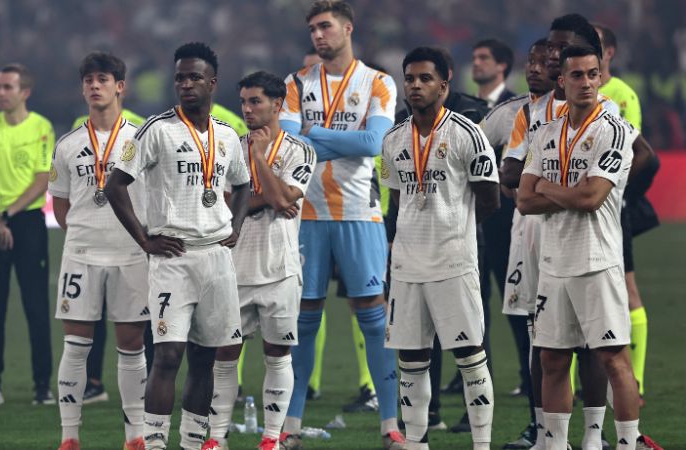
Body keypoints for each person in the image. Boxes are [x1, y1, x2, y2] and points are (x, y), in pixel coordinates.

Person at [104, 42, 250, 450]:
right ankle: (153, 444)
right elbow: (115, 185)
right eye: (180, 78)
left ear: (212, 83)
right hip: (174, 259)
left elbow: (243, 184)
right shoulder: (156, 130)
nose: (185, 84)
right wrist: (145, 240)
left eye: (194, 77)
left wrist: (235, 226)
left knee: (205, 359)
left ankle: (190, 444)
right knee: (168, 356)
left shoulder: (226, 135)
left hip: (217, 259)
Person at [278, 2, 404, 449]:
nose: (317, 34)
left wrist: (313, 137)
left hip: (359, 214)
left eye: (325, 26)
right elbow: (288, 145)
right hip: (307, 215)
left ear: (348, 28)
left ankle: (390, 425)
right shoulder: (295, 83)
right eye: (312, 28)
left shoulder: (378, 82)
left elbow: (374, 142)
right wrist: (330, 143)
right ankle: (289, 428)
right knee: (303, 321)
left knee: (374, 319)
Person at [516, 44, 643, 450]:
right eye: (577, 75)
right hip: (553, 263)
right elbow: (523, 200)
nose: (586, 82)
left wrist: (549, 188)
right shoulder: (548, 133)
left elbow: (592, 199)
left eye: (592, 74)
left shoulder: (614, 130)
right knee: (552, 360)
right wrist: (569, 191)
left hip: (597, 261)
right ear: (562, 81)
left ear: (601, 77)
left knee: (613, 359)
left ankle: (625, 443)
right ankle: (555, 445)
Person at [382, 46, 499, 450]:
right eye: (410, 78)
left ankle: (481, 444)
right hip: (408, 267)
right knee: (411, 363)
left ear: (444, 86)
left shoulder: (468, 133)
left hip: (453, 263)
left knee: (470, 357)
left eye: (425, 78)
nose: (415, 85)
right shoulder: (394, 139)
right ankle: (416, 443)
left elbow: (490, 199)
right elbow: (397, 201)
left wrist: (453, 229)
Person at [209, 71, 316, 450]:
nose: (248, 109)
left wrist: (258, 161)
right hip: (233, 268)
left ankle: (271, 438)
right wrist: (268, 198)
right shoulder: (227, 148)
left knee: (277, 353)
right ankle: (216, 438)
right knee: (225, 356)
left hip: (279, 270)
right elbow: (222, 207)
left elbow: (288, 198)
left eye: (255, 101)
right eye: (243, 102)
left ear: (277, 104)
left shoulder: (300, 150)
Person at [48, 52, 149, 450]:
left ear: (120, 86)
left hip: (131, 253)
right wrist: (85, 231)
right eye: (88, 79)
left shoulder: (143, 137)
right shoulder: (68, 143)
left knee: (132, 345)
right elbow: (59, 202)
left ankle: (135, 436)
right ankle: (69, 436)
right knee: (76, 346)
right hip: (82, 254)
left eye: (103, 79)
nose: (94, 85)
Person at [481, 38, 555, 450]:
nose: (534, 67)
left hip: (572, 236)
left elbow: (640, 157)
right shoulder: (511, 114)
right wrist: (495, 192)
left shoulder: (584, 114)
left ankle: (603, 433)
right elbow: (472, 152)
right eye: (530, 60)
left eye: (544, 61)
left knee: (592, 343)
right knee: (531, 334)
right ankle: (538, 427)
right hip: (522, 236)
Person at [0, 63, 55, 406]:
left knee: (36, 307)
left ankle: (42, 386)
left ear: (25, 92)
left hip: (26, 223)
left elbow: (41, 179)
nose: (0, 93)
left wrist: (6, 215)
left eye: (7, 87)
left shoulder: (41, 127)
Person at [593, 22, 655, 405]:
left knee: (627, 289)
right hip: (577, 208)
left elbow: (636, 152)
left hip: (611, 208)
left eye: (596, 45)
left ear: (610, 52)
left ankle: (639, 380)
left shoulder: (620, 95)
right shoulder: (568, 92)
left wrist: (614, 193)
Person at [472, 38, 516, 108]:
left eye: (483, 58)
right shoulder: (464, 105)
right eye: (474, 58)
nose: (476, 63)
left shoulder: (517, 106)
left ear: (502, 65)